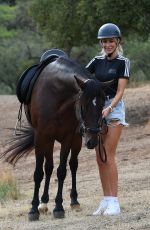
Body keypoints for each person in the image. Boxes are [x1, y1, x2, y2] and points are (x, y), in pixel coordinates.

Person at [86, 23, 130, 216]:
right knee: (99, 157)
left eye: (111, 40)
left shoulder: (123, 62)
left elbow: (120, 91)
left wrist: (110, 108)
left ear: (117, 41)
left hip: (114, 108)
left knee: (108, 156)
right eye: (104, 41)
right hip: (98, 109)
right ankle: (106, 199)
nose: (107, 44)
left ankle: (115, 202)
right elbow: (82, 77)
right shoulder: (96, 61)